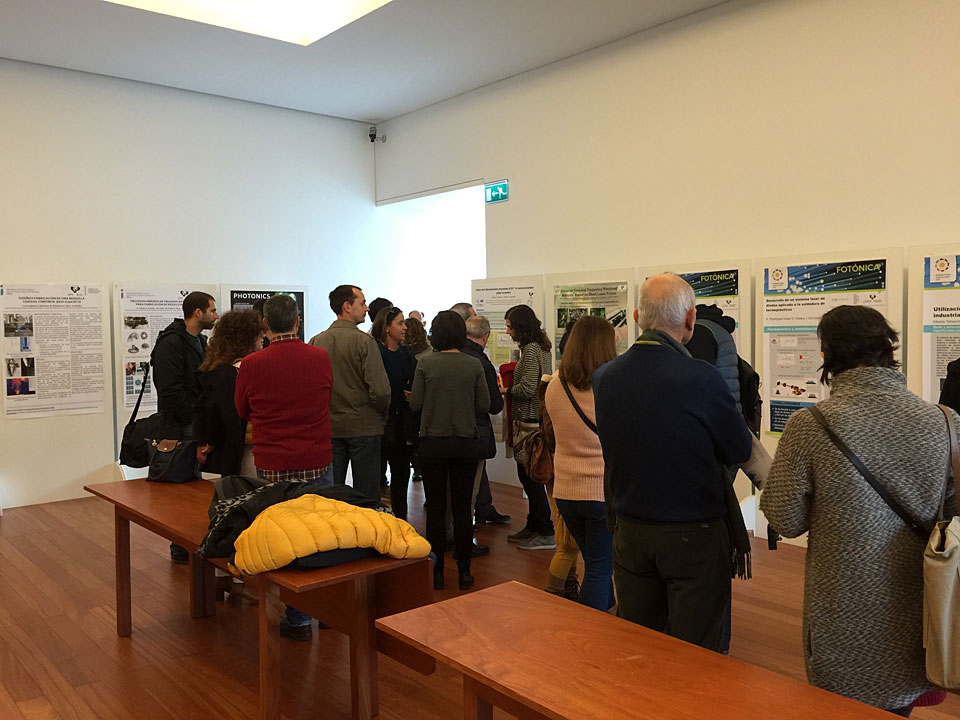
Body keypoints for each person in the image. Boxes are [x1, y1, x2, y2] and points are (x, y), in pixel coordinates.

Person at [760, 305, 957, 716]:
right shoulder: (945, 422)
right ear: (888, 350)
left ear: (827, 355)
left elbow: (784, 520)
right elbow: (952, 514)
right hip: (922, 612)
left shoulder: (809, 425)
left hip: (842, 619)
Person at [593, 273, 751, 651]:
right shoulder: (701, 378)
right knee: (696, 652)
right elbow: (738, 448)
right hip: (693, 534)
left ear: (636, 317)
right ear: (691, 318)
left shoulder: (605, 377)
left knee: (640, 645)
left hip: (629, 529)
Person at [234, 293, 335, 642]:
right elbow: (326, 396)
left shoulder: (252, 364)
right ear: (297, 321)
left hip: (273, 461)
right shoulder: (319, 357)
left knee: (285, 537)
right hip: (316, 457)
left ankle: (299, 618)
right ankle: (327, 610)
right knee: (324, 534)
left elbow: (242, 409)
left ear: (265, 324)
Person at [408, 311, 490, 592]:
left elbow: (416, 404)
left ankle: (437, 573)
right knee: (463, 509)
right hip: (465, 442)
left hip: (432, 442)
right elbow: (483, 404)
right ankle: (465, 572)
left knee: (435, 509)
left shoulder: (425, 364)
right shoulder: (473, 364)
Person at [546, 316, 617, 611]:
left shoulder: (555, 385)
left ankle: (606, 608)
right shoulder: (610, 387)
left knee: (594, 561)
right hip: (600, 491)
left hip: (565, 490)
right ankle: (591, 627)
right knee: (600, 567)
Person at [151, 290, 218, 564]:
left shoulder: (200, 341)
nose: (216, 315)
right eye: (212, 310)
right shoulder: (171, 343)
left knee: (193, 488)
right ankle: (180, 548)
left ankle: (190, 543)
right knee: (180, 489)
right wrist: (191, 418)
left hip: (195, 423)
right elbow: (169, 389)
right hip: (180, 426)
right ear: (197, 312)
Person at [309, 285, 390, 501]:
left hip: (330, 426)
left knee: (331, 493)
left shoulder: (317, 342)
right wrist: (380, 415)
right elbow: (381, 391)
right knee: (367, 494)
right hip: (363, 425)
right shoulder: (364, 342)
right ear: (347, 306)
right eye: (362, 303)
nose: (367, 308)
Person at [502, 304, 555, 549]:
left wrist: (507, 389)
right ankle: (534, 524)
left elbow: (528, 388)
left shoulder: (532, 350)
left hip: (529, 421)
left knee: (530, 478)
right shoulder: (540, 347)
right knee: (528, 476)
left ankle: (544, 530)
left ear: (521, 327)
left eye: (510, 327)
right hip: (534, 420)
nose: (508, 331)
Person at [194, 310, 263, 477]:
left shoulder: (217, 370)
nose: (262, 339)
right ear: (247, 339)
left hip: (226, 452)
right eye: (258, 336)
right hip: (243, 450)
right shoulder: (237, 373)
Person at [462, 315, 509, 526]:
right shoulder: (482, 363)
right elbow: (494, 404)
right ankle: (470, 522)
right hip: (476, 428)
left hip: (453, 429)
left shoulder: (455, 355)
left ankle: (483, 507)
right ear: (486, 336)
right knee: (474, 473)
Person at [372, 306, 416, 520]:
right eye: (400, 323)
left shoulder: (406, 353)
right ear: (387, 327)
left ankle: (401, 518)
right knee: (377, 476)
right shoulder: (376, 354)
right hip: (381, 422)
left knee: (401, 474)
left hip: (402, 423)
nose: (405, 327)